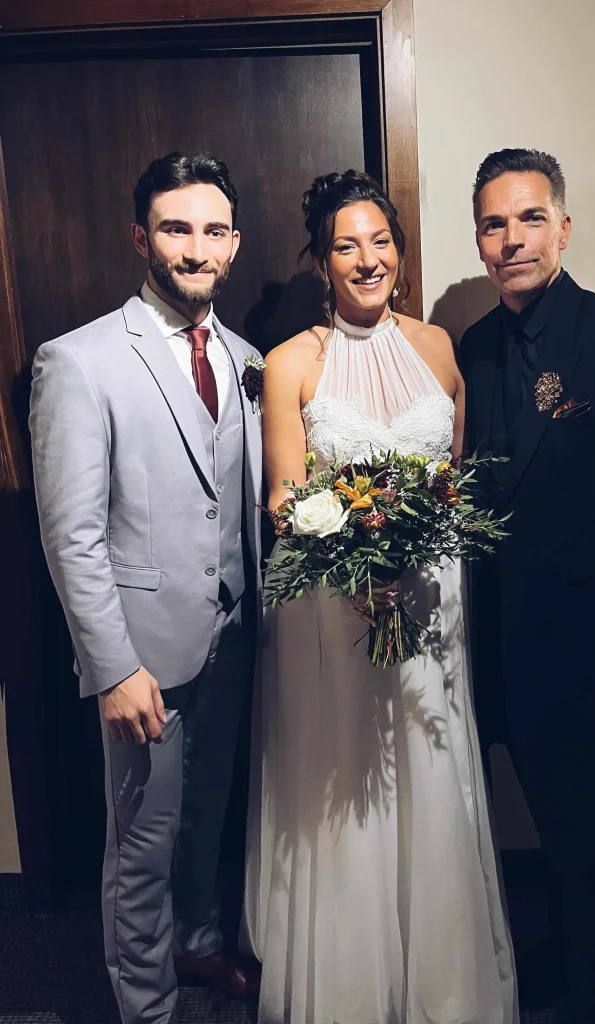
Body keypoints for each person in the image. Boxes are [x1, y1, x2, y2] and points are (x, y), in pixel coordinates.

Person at [241, 170, 517, 1024]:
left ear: (399, 250)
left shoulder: (440, 346)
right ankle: (353, 987)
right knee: (349, 775)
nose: (367, 260)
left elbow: (451, 481)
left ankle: (438, 977)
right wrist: (356, 564)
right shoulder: (291, 362)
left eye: (381, 241)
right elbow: (284, 499)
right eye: (345, 245)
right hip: (333, 607)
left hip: (430, 601)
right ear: (320, 263)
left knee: (427, 764)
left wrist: (411, 546)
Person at [29, 151, 263, 1024]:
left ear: (233, 243)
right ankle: (147, 1006)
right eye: (175, 229)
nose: (195, 248)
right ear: (141, 238)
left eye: (212, 230)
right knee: (142, 841)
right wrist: (113, 666)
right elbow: (72, 535)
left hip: (234, 636)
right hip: (140, 655)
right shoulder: (78, 361)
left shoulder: (248, 360)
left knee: (208, 814)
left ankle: (197, 943)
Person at [460, 148, 595, 1024]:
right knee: (547, 821)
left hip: (590, 643)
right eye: (493, 224)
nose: (512, 239)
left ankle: (594, 996)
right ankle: (571, 963)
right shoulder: (473, 348)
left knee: (594, 832)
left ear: (564, 227)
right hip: (500, 639)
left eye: (530, 218)